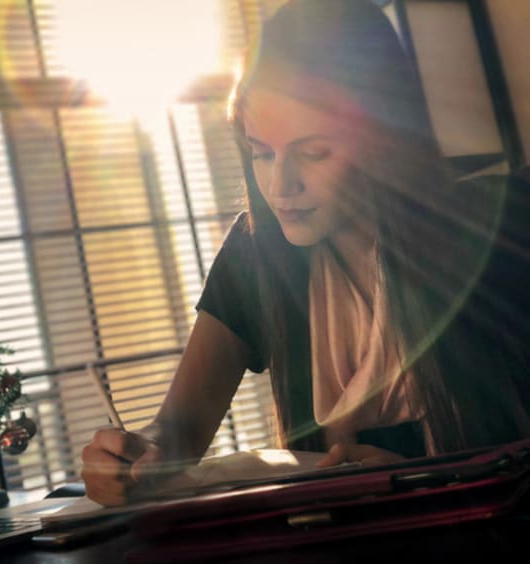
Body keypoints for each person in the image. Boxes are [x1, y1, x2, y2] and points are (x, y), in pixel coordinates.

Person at [81, 0, 530, 506]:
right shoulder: (255, 251)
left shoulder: (501, 223)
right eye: (262, 152)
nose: (280, 185)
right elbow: (178, 428)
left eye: (313, 152)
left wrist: (431, 482)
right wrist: (138, 455)